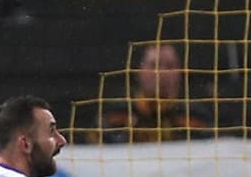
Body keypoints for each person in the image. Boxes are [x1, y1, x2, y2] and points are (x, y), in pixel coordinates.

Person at [76, 42, 213, 143]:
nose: (162, 73)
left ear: (181, 72)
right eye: (154, 65)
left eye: (170, 66)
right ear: (138, 71)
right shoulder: (113, 115)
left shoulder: (195, 117)